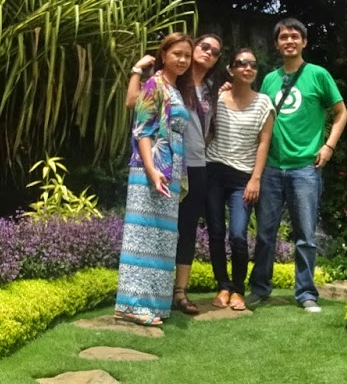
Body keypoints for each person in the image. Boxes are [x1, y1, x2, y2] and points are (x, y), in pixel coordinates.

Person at [249, 18, 347, 312]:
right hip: (271, 168)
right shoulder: (268, 79)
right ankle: (260, 289)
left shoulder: (318, 75)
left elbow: (341, 113)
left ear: (304, 42)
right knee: (265, 233)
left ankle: (306, 293)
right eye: (283, 37)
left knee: (305, 235)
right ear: (277, 44)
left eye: (294, 36)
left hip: (305, 167)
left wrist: (328, 146)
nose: (289, 41)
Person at [128, 33, 223, 313]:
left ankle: (178, 293)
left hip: (194, 165)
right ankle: (143, 301)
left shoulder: (211, 88)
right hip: (165, 165)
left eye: (215, 51)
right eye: (203, 46)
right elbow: (136, 104)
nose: (208, 52)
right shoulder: (166, 82)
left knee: (183, 230)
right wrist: (136, 69)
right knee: (154, 231)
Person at [114, 33, 195, 327]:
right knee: (142, 238)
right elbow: (144, 131)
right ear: (164, 55)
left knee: (161, 238)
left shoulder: (175, 88)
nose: (183, 60)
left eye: (187, 55)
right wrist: (151, 169)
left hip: (169, 170)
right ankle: (132, 306)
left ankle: (155, 304)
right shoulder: (155, 84)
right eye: (178, 54)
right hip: (152, 170)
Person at [203, 47, 275, 312]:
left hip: (243, 178)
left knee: (238, 235)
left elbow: (264, 142)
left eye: (253, 65)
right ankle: (222, 286)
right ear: (231, 69)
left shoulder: (264, 103)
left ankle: (238, 289)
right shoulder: (218, 98)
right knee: (216, 232)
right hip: (214, 171)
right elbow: (208, 132)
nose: (248, 68)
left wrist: (255, 178)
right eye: (241, 63)